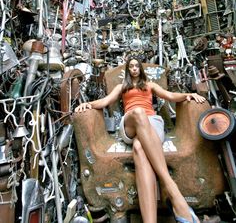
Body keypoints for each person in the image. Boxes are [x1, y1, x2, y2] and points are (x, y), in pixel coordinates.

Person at [75, 57, 205, 223]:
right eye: (131, 66)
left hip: (153, 124)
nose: (134, 68)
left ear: (141, 69)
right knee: (138, 112)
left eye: (137, 66)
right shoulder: (121, 86)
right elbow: (106, 101)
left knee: (139, 147)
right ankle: (172, 190)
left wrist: (189, 95)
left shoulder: (150, 85)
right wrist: (88, 104)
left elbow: (170, 95)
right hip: (131, 123)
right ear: (128, 70)